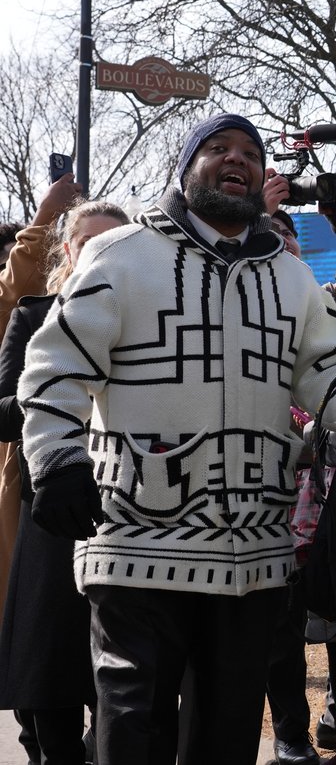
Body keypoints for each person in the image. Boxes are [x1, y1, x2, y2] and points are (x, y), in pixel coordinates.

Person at [18, 113, 336, 764]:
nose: (238, 159)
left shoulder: (289, 276)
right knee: (134, 731)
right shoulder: (122, 253)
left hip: (254, 557)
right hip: (134, 543)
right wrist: (59, 457)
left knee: (226, 737)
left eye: (250, 153)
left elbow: (327, 365)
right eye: (219, 147)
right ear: (184, 166)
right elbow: (54, 364)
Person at [0, 200, 127, 765]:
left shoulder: (151, 318)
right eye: (88, 242)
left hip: (129, 513)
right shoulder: (32, 317)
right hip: (52, 509)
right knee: (48, 682)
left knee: (124, 689)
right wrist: (58, 394)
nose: (100, 253)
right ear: (67, 252)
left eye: (114, 241)